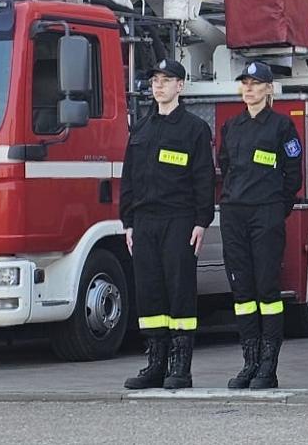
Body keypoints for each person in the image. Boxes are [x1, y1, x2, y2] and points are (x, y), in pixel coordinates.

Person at [120, 59, 215, 391]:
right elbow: (128, 178)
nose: (158, 85)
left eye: (166, 80)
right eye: (155, 80)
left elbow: (204, 178)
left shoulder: (194, 129)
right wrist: (127, 222)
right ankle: (155, 363)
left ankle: (180, 366)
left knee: (179, 293)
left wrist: (202, 221)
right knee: (149, 294)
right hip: (144, 222)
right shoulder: (141, 130)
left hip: (179, 221)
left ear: (181, 86)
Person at [218, 60, 304, 390]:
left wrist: (275, 208)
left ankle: (269, 366)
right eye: (245, 83)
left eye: (256, 83)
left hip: (266, 214)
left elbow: (292, 174)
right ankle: (249, 363)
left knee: (266, 290)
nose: (249, 88)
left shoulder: (281, 127)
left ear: (269, 89)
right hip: (234, 213)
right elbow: (226, 166)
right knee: (242, 292)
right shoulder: (233, 126)